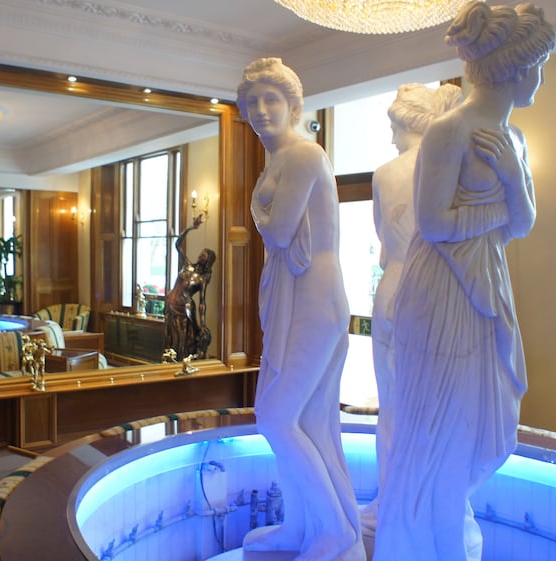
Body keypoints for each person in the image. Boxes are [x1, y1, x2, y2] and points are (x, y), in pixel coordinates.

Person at [372, 4, 554, 561]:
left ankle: (439, 538)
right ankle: (432, 545)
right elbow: (433, 224)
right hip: (441, 291)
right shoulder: (447, 132)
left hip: (487, 285)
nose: (540, 77)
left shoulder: (514, 139)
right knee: (442, 432)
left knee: (485, 431)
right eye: (539, 65)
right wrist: (500, 209)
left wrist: (513, 180)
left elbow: (524, 222)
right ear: (516, 68)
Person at [237, 57, 365, 561]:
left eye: (272, 99)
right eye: (252, 102)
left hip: (315, 299)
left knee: (275, 416)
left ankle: (334, 530)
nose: (261, 110)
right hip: (291, 296)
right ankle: (299, 526)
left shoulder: (305, 154)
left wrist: (256, 208)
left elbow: (279, 230)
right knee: (305, 421)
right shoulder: (276, 162)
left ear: (293, 106)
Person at [363, 82, 462, 533]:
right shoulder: (450, 167)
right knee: (434, 407)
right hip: (431, 294)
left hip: (392, 289)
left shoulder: (385, 174)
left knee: (393, 409)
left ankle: (390, 502)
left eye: (393, 126)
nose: (390, 136)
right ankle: (425, 506)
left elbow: (385, 243)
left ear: (407, 122)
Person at [164, 213, 216, 360]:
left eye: (205, 255)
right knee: (169, 336)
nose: (201, 256)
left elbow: (202, 303)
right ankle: (169, 361)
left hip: (184, 308)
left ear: (208, 261)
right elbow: (177, 244)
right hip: (171, 302)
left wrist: (203, 324)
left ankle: (182, 362)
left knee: (182, 339)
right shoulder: (187, 265)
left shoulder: (202, 279)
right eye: (201, 253)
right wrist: (191, 228)